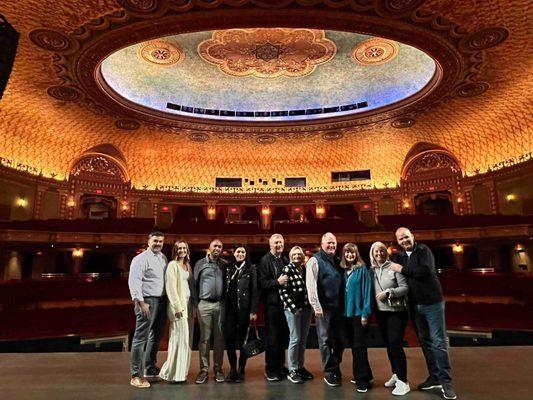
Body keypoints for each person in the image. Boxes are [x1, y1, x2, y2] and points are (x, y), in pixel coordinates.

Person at [391, 227, 457, 400]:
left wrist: (402, 269)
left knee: (438, 342)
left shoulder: (423, 250)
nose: (404, 240)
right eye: (400, 239)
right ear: (397, 241)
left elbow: (424, 271)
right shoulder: (400, 256)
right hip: (415, 305)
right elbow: (389, 266)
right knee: (425, 342)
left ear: (412, 236)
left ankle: (446, 382)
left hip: (432, 303)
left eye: (406, 237)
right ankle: (434, 376)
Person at [128, 231, 168, 388]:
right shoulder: (140, 259)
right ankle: (135, 375)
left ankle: (150, 367)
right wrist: (140, 302)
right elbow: (134, 281)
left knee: (156, 336)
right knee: (140, 338)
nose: (158, 243)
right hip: (147, 300)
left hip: (162, 300)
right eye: (155, 241)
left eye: (161, 241)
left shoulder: (163, 258)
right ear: (149, 242)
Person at [369, 241, 410, 396]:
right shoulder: (371, 270)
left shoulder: (394, 267)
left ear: (385, 252)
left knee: (395, 344)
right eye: (376, 251)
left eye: (381, 251)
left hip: (396, 312)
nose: (379, 254)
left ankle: (403, 381)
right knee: (388, 344)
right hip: (381, 313)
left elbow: (405, 288)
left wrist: (388, 292)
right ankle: (395, 373)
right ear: (372, 253)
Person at [306, 232, 344, 386]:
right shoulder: (314, 260)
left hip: (338, 307)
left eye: (333, 243)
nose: (331, 245)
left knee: (340, 340)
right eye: (328, 243)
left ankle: (334, 364)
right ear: (321, 244)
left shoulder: (337, 259)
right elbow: (311, 285)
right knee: (325, 340)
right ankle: (329, 370)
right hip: (323, 308)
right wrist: (316, 306)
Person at [193, 238, 227, 384]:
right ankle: (204, 370)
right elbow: (193, 285)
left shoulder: (225, 264)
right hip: (204, 305)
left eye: (220, 246)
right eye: (215, 246)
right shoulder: (200, 264)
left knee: (219, 338)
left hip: (220, 305)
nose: (217, 248)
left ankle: (218, 369)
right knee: (204, 339)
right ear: (209, 247)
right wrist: (195, 305)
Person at [159, 241, 194, 383]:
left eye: (184, 248)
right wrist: (178, 307)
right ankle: (171, 373)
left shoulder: (187, 265)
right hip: (178, 308)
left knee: (185, 340)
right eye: (179, 248)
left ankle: (181, 372)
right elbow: (171, 289)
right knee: (178, 339)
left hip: (188, 305)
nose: (182, 250)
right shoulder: (172, 265)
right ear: (175, 250)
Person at [341, 242, 373, 393]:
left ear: (356, 254)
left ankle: (362, 380)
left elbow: (367, 293)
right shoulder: (344, 270)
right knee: (355, 346)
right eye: (347, 252)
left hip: (359, 314)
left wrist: (365, 313)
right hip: (347, 314)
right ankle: (365, 374)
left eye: (352, 252)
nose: (349, 255)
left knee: (359, 346)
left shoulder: (362, 269)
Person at [257, 233, 289, 382]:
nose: (279, 245)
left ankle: (280, 366)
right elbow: (262, 284)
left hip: (284, 304)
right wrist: (278, 281)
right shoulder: (265, 261)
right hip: (272, 306)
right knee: (272, 338)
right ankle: (270, 369)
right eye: (276, 243)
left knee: (282, 337)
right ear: (270, 245)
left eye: (281, 242)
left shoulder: (284, 259)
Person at [279, 246, 314, 384]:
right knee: (295, 338)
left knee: (303, 339)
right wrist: (293, 308)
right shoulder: (287, 269)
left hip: (306, 309)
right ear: (290, 256)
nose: (297, 256)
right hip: (293, 310)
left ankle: (300, 366)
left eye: (299, 254)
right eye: (294, 254)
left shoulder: (305, 269)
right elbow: (283, 292)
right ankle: (292, 369)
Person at [224, 244, 258, 383]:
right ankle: (232, 368)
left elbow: (255, 290)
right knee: (230, 340)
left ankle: (242, 369)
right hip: (229, 311)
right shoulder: (228, 268)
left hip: (244, 311)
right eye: (238, 251)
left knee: (244, 341)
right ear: (234, 253)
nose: (240, 254)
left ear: (246, 254)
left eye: (243, 252)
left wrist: (253, 310)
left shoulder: (251, 269)